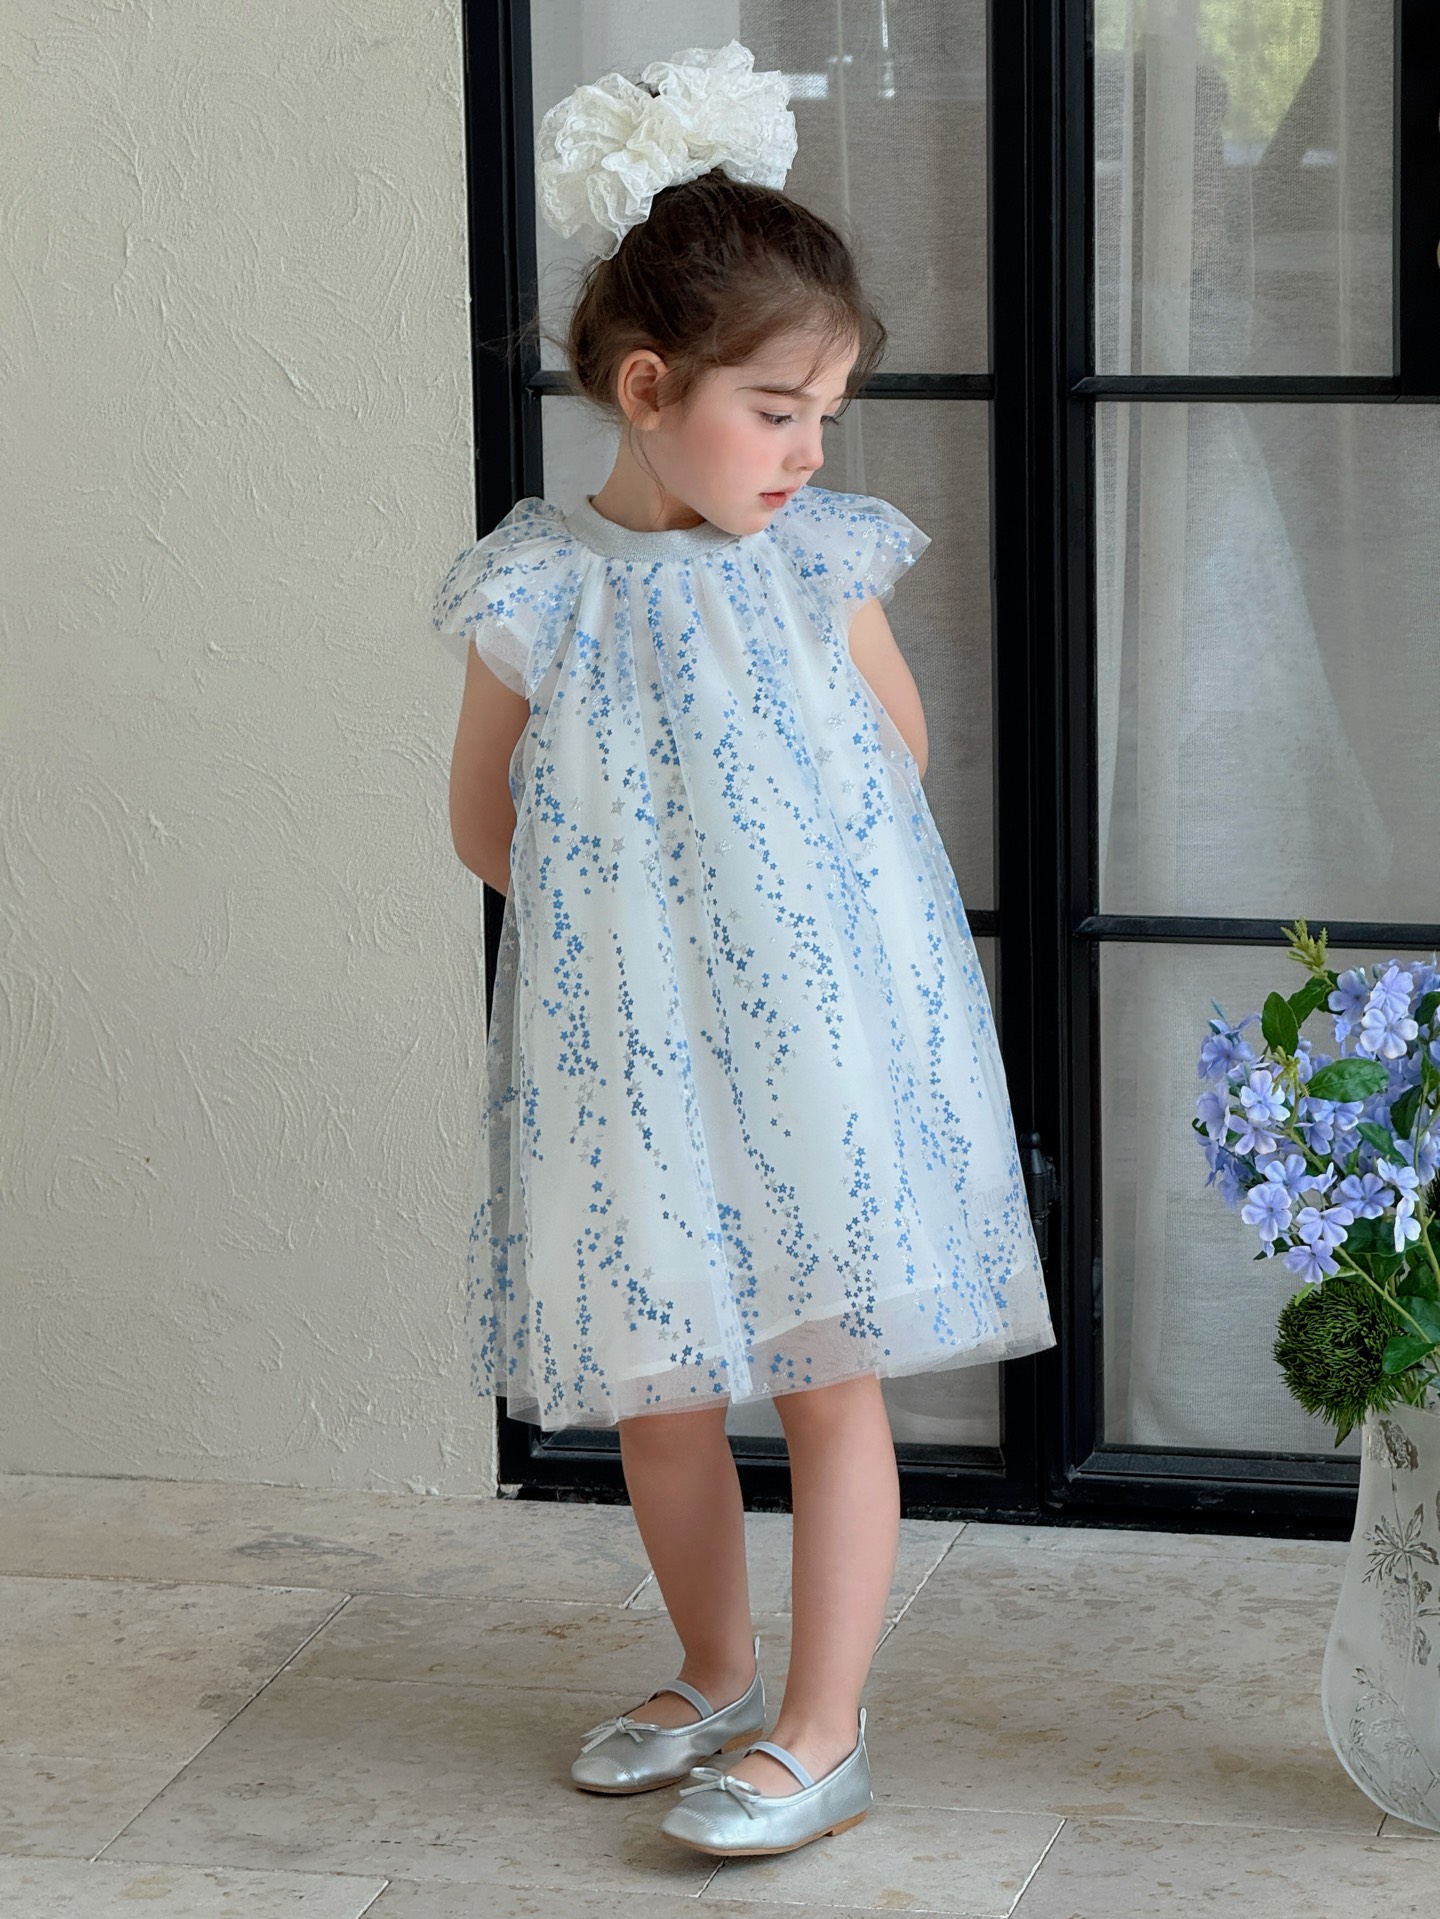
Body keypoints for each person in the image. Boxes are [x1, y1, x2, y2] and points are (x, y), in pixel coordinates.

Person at [434, 41, 1055, 1860]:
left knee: (826, 1372)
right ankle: (713, 1670)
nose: (807, 452)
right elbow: (482, 821)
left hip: (808, 1044)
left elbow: (895, 767)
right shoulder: (537, 587)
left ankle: (822, 1725)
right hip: (630, 1051)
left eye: (825, 416)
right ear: (649, 390)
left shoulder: (815, 567)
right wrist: (623, 929)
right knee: (660, 1387)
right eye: (777, 410)